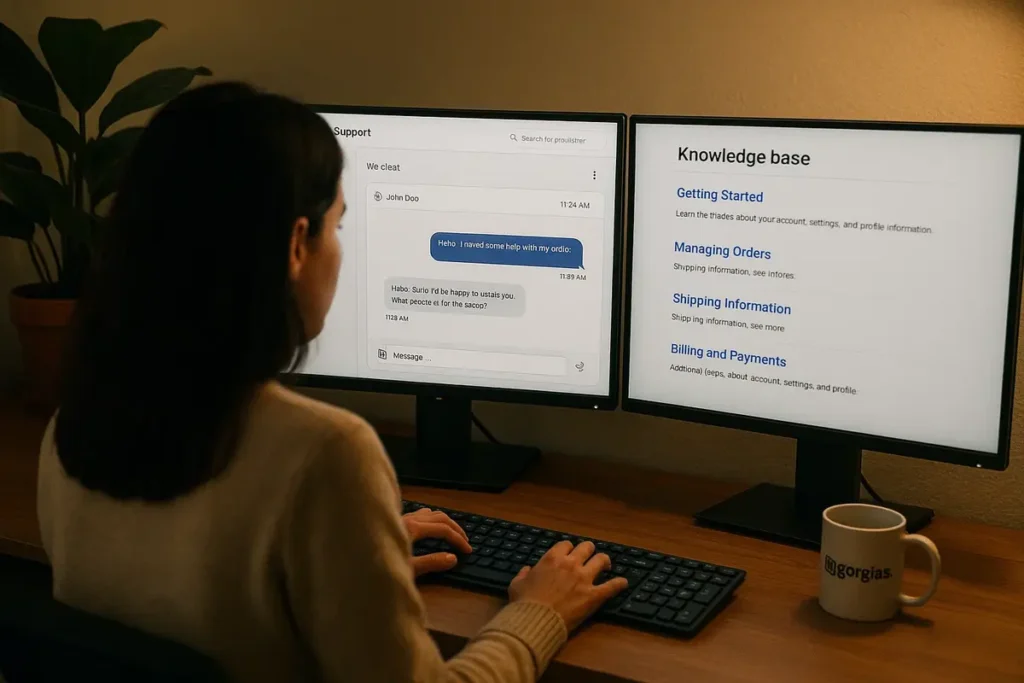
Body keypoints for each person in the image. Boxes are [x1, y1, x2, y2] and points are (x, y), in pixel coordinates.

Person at [36, 82, 628, 682]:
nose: (340, 251)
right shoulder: (324, 454)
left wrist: (354, 558)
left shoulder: (75, 425)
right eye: (338, 225)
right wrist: (539, 612)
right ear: (297, 244)